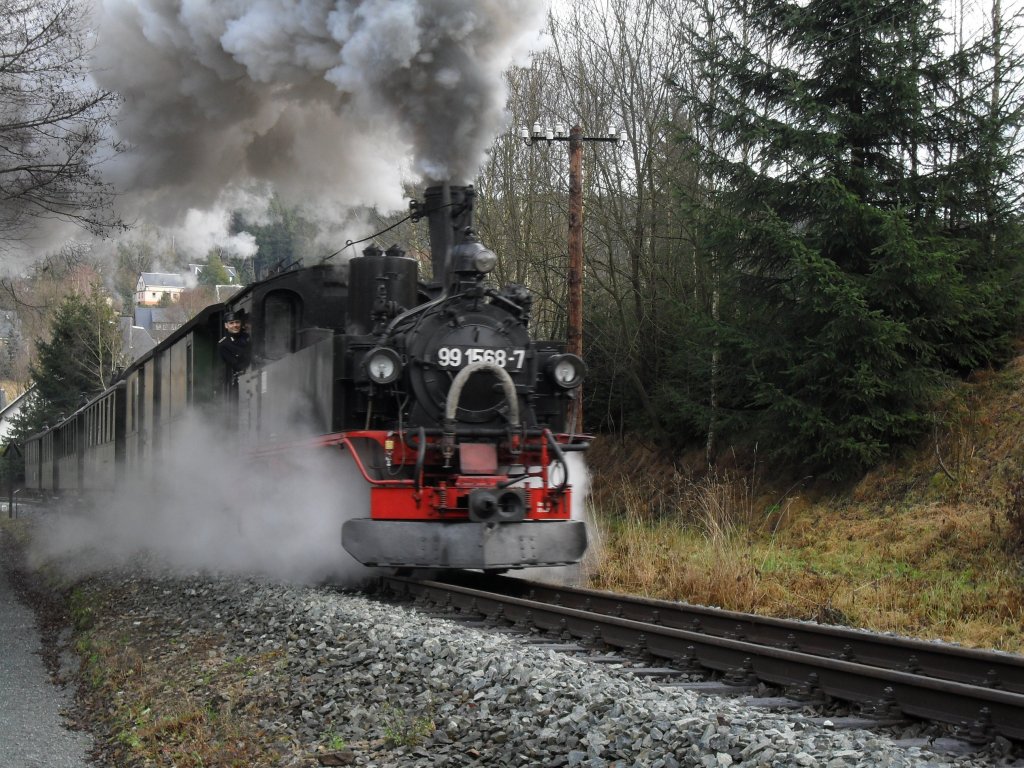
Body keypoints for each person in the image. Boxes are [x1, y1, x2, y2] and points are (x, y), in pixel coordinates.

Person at [218, 310, 251, 383]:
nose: (235, 325)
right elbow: (237, 365)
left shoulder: (247, 337)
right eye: (231, 323)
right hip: (240, 380)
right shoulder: (224, 344)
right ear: (226, 326)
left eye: (237, 322)